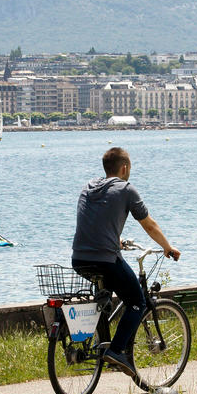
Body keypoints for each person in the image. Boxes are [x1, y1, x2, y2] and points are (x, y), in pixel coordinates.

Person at [71, 147, 180, 377]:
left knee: (108, 290)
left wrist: (116, 239)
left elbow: (94, 221)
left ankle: (101, 324)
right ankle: (117, 351)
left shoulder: (88, 187)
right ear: (125, 168)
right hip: (105, 260)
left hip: (79, 258)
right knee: (138, 302)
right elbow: (149, 224)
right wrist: (167, 247)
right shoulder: (126, 189)